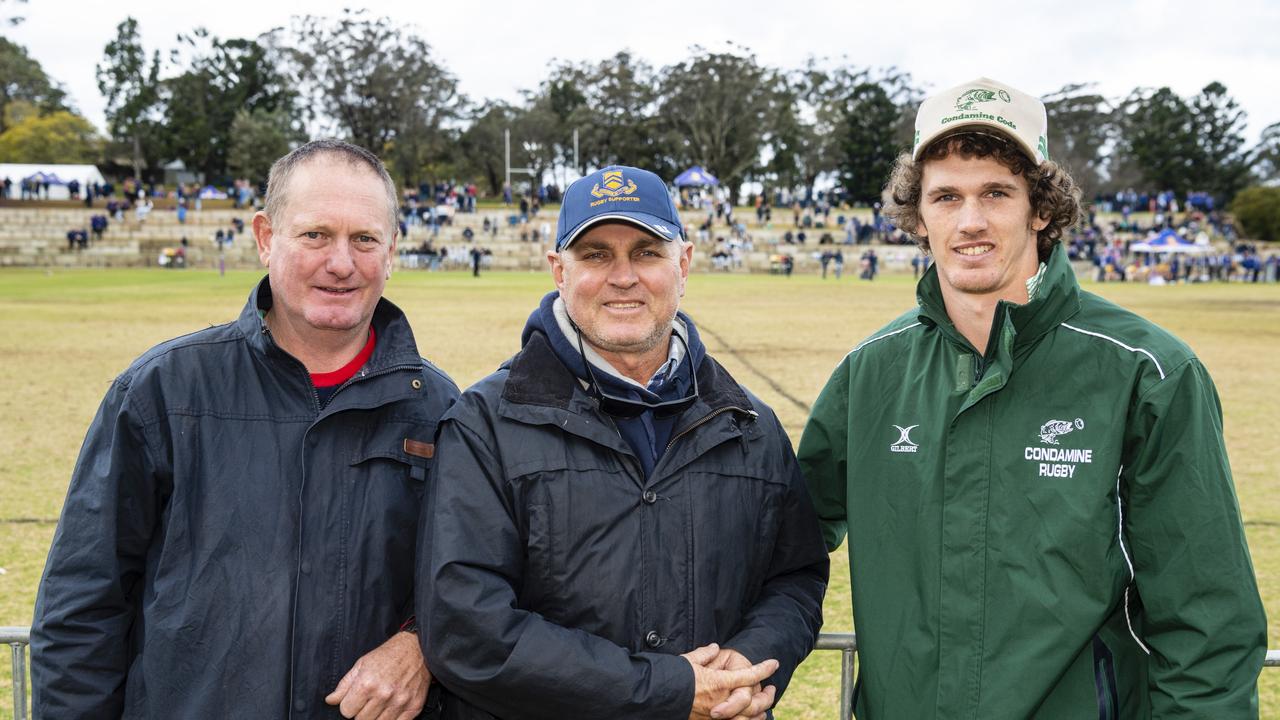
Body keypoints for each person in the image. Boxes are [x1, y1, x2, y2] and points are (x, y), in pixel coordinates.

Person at [798, 77, 1267, 719]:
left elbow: (1206, 619)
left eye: (996, 191)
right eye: (946, 196)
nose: (970, 221)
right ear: (918, 216)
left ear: (1040, 208)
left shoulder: (1148, 373)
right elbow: (780, 544)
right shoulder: (869, 373)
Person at [31, 139, 459, 719]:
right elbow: (83, 607)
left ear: (391, 252)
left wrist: (418, 645)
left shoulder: (439, 407)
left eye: (364, 238)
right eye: (315, 235)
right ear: (264, 238)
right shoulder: (163, 392)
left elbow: (469, 584)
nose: (341, 262)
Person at [419, 165, 828, 719]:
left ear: (682, 265)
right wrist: (665, 690)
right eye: (594, 255)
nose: (623, 276)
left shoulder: (750, 423)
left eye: (645, 252)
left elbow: (796, 577)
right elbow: (468, 625)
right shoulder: (486, 422)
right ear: (558, 271)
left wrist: (751, 655)